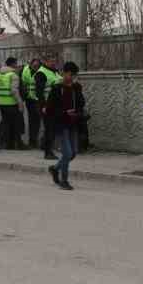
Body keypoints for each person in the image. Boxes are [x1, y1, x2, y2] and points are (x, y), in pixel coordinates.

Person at [42, 61, 87, 191]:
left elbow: (81, 103)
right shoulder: (56, 88)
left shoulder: (76, 87)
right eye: (70, 74)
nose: (72, 77)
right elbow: (50, 109)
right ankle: (64, 180)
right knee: (67, 153)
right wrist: (64, 112)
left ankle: (55, 169)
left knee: (72, 154)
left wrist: (78, 112)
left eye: (74, 75)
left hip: (73, 123)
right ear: (64, 73)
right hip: (60, 124)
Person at [35, 55, 63, 160]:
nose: (53, 63)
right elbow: (39, 92)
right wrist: (43, 106)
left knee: (52, 129)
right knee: (49, 129)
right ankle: (48, 152)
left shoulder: (54, 72)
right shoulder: (41, 73)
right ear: (45, 62)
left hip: (55, 105)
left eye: (54, 61)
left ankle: (45, 147)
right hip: (47, 105)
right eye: (51, 61)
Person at [0, 57, 25, 150]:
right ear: (12, 64)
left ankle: (8, 145)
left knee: (7, 124)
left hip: (1, 104)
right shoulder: (13, 75)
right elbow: (14, 91)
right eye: (16, 63)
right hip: (12, 103)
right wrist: (20, 103)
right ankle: (18, 144)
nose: (17, 65)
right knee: (16, 124)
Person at [23, 57, 43, 149]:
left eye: (37, 66)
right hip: (30, 99)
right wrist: (24, 95)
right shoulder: (25, 70)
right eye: (34, 65)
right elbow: (23, 84)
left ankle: (35, 141)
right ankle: (32, 141)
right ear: (30, 65)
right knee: (32, 120)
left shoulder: (41, 72)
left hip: (38, 100)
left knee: (37, 121)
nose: (36, 67)